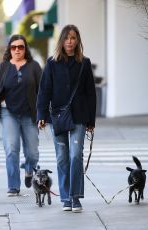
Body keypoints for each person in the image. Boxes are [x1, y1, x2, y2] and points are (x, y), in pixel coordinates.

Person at [37, 24, 96, 212]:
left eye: (73, 38)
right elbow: (44, 91)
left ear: (77, 40)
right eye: (67, 38)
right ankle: (65, 198)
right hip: (58, 118)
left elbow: (90, 93)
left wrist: (91, 121)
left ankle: (75, 197)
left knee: (75, 156)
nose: (70, 41)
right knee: (62, 158)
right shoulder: (52, 63)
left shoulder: (84, 63)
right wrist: (41, 115)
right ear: (61, 40)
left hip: (79, 116)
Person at [0, 34, 42, 196]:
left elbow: (43, 90)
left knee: (32, 153)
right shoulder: (3, 67)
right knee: (11, 148)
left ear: (25, 49)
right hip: (8, 113)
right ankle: (13, 187)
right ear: (10, 49)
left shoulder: (34, 67)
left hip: (29, 115)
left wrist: (43, 114)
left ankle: (29, 169)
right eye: (14, 47)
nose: (17, 50)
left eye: (21, 47)